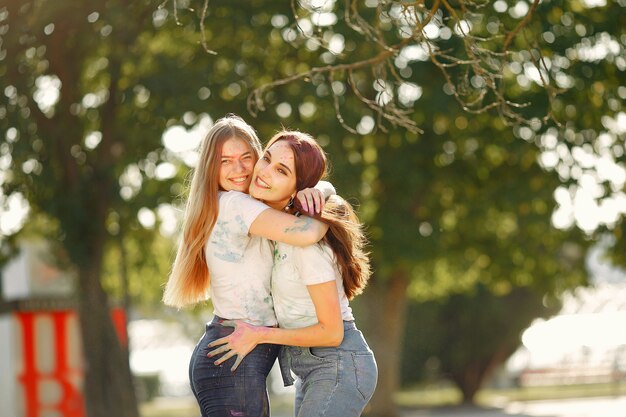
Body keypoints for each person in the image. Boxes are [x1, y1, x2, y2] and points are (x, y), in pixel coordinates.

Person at [163, 115, 332, 417]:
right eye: (225, 161)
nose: (238, 170)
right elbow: (307, 233)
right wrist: (322, 200)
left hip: (230, 352)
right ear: (210, 168)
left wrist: (317, 191)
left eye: (246, 158)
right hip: (232, 359)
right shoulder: (235, 206)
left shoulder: (237, 207)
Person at [207, 131, 378, 417]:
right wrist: (324, 189)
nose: (263, 173)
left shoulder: (306, 245)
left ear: (297, 187)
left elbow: (332, 332)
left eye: (281, 171)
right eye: (267, 159)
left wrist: (259, 335)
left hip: (339, 364)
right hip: (312, 367)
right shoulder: (276, 229)